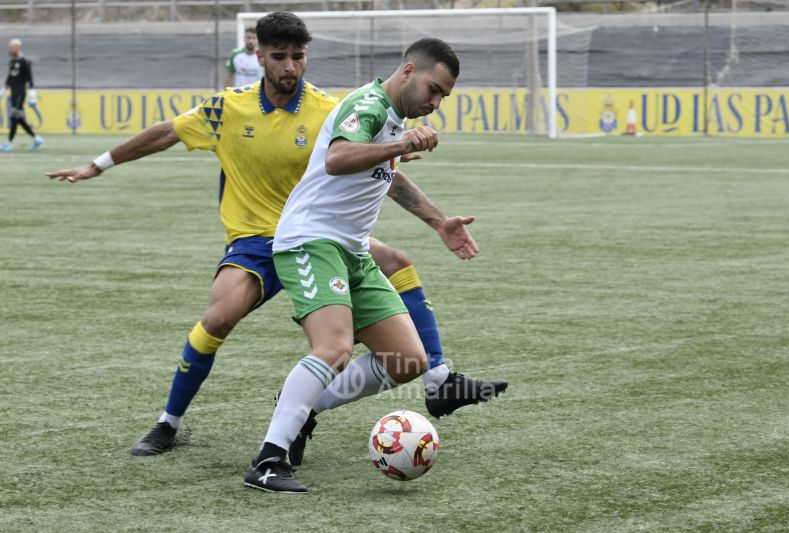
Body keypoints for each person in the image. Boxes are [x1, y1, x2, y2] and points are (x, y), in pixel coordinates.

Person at [46, 13, 506, 459]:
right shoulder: (230, 107)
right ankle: (170, 422)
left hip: (333, 240)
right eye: (280, 56)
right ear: (259, 56)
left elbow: (379, 169)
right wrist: (98, 163)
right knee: (220, 319)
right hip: (262, 240)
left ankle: (433, 378)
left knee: (398, 268)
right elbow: (166, 132)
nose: (290, 66)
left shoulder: (332, 107)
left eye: (299, 56)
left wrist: (435, 216)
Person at [244, 37, 473, 494]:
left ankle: (305, 407)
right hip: (310, 241)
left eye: (443, 96)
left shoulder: (392, 120)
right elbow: (338, 158)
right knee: (334, 348)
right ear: (408, 71)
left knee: (408, 360)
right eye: (433, 89)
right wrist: (402, 142)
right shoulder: (368, 104)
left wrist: (438, 221)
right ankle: (268, 461)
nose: (435, 101)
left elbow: (387, 177)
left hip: (353, 252)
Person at [2, 38, 43, 151]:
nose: (10, 49)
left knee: (14, 116)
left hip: (21, 93)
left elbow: (30, 79)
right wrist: (3, 89)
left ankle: (9, 143)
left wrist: (32, 96)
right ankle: (36, 138)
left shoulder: (24, 61)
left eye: (11, 47)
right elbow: (10, 77)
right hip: (13, 93)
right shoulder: (12, 61)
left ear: (18, 48)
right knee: (18, 119)